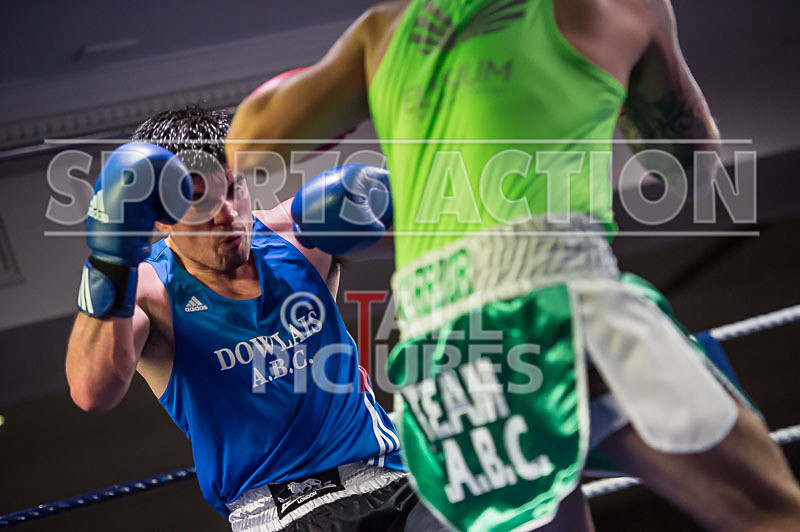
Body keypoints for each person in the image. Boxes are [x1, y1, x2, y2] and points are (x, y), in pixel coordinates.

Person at [225, 1, 800, 531]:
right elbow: (691, 172)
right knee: (770, 511)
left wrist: (368, 93)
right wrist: (621, 90)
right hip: (553, 297)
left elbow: (248, 145)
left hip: (438, 357)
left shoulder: (385, 29)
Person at [65, 106, 447, 531]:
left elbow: (446, 238)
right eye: (198, 200)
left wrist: (404, 202)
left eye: (233, 189)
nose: (226, 214)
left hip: (389, 478)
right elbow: (91, 392)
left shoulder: (301, 233)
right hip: (280, 515)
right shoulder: (146, 293)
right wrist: (110, 257)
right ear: (158, 215)